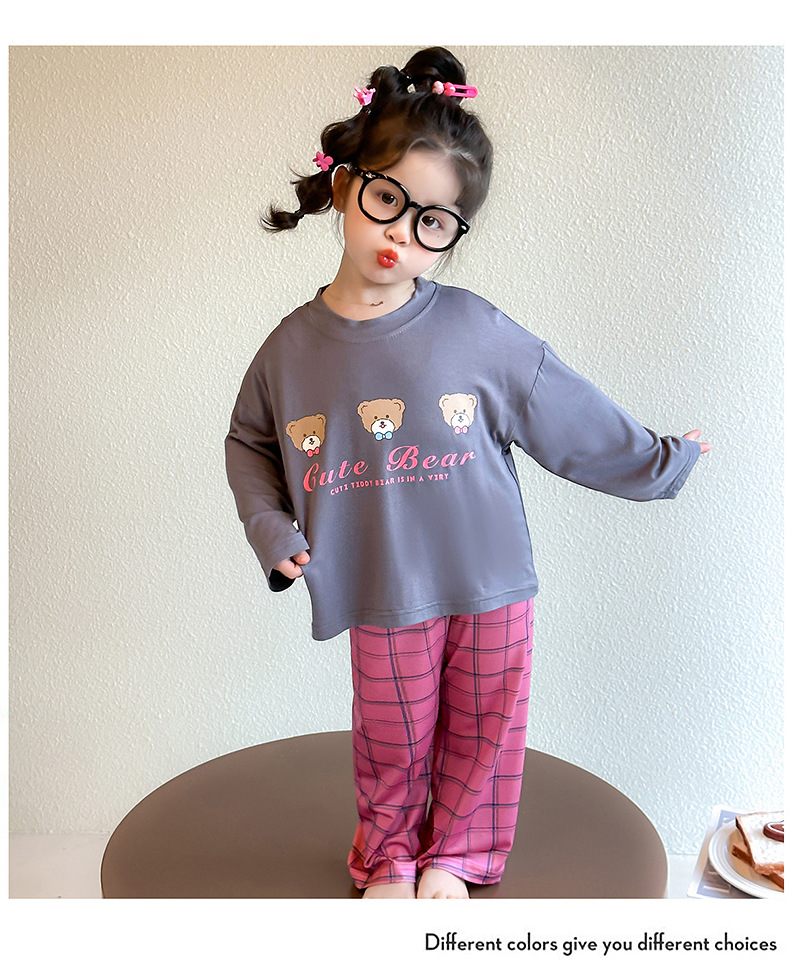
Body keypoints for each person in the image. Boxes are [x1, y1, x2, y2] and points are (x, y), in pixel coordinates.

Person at [225, 47, 710, 900]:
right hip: (380, 583)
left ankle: (458, 857)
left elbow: (568, 413)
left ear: (453, 236)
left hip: (491, 581)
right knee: (391, 736)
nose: (401, 235)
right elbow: (249, 444)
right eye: (388, 201)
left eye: (434, 223)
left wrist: (663, 460)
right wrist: (271, 530)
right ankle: (389, 858)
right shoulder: (289, 350)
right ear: (346, 184)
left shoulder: (480, 332)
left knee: (487, 730)